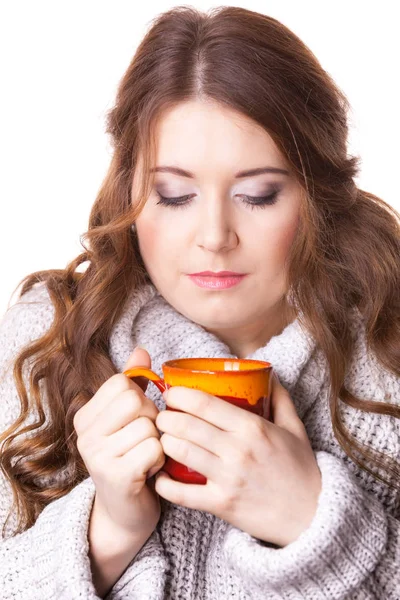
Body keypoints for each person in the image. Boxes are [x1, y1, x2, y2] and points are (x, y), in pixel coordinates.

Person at [0, 5, 399, 600]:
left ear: (319, 195)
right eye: (175, 194)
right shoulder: (47, 341)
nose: (214, 235)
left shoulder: (389, 357)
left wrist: (316, 523)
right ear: (130, 190)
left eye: (258, 195)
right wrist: (107, 532)